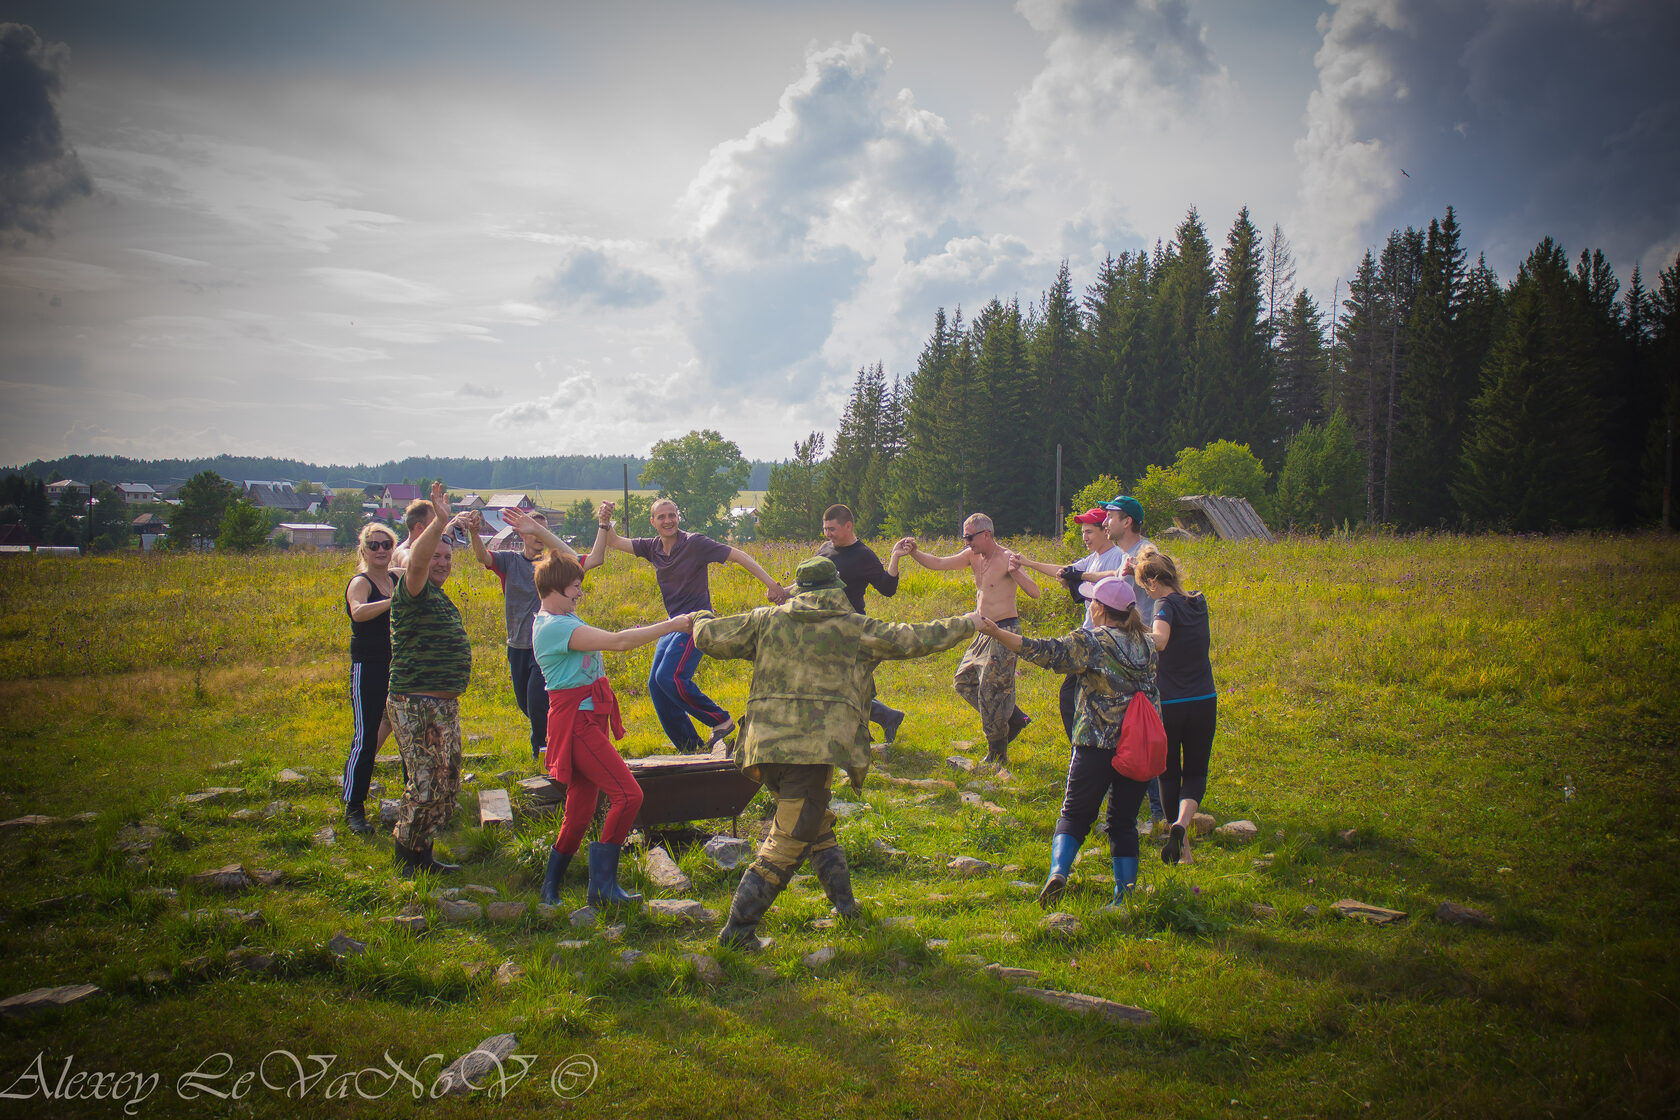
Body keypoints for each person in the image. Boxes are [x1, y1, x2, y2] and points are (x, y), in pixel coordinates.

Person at [695, 557, 982, 950]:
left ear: (799, 589)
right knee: (789, 839)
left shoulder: (766, 620)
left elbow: (709, 636)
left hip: (763, 748)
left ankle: (846, 909)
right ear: (836, 588)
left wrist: (698, 616)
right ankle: (737, 932)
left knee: (815, 823)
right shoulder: (853, 628)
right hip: (811, 751)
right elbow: (913, 638)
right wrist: (970, 621)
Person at [976, 576, 1159, 909]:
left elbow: (1045, 652)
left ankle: (1058, 873)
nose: (1089, 605)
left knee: (1074, 814)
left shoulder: (1092, 640)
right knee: (1123, 821)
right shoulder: (1147, 642)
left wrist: (997, 632)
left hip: (1094, 743)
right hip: (1138, 745)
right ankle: (1125, 897)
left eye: (1092, 602)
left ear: (1100, 609)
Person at [530, 551, 696, 907]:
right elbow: (620, 642)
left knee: (580, 812)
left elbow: (566, 563)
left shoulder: (558, 616)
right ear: (557, 588)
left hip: (586, 720)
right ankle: (603, 888)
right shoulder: (558, 626)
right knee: (628, 794)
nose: (580, 593)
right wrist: (672, 624)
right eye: (576, 587)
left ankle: (550, 890)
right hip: (578, 724)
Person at [597, 497, 788, 753]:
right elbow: (614, 541)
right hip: (674, 624)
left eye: (672, 515)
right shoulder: (652, 547)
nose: (668, 521)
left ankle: (720, 720)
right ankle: (691, 746)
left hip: (697, 622)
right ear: (653, 521)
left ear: (678, 517)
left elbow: (739, 556)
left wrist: (772, 584)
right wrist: (605, 521)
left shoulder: (694, 543)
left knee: (670, 676)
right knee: (656, 684)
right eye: (662, 517)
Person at [467, 506, 607, 764]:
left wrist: (603, 525)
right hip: (517, 643)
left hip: (546, 646)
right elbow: (483, 557)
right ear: (520, 533)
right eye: (532, 530)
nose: (538, 536)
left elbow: (590, 559)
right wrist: (475, 534)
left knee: (537, 700)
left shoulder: (557, 566)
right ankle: (558, 738)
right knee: (526, 703)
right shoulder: (509, 561)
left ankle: (543, 753)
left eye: (543, 530)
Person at [898, 513, 1040, 766]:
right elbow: (940, 562)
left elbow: (1035, 592)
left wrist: (1016, 572)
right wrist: (915, 553)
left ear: (987, 534)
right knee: (963, 681)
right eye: (964, 537)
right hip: (983, 630)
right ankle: (1014, 718)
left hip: (1004, 630)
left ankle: (997, 752)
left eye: (970, 537)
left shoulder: (1007, 557)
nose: (966, 542)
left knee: (991, 691)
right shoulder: (973, 556)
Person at [386, 483, 474, 877]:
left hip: (442, 705)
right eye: (435, 555)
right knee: (425, 784)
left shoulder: (438, 595)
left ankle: (424, 854)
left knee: (446, 783)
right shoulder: (413, 588)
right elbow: (417, 563)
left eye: (447, 557)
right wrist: (440, 522)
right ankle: (405, 856)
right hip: (416, 703)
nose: (441, 562)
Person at [1007, 507, 1124, 738]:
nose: (1085, 537)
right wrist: (1029, 564)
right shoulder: (1092, 559)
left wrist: (1079, 581)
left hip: (1107, 641)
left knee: (1082, 697)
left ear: (1105, 531)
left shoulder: (1117, 557)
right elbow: (1063, 571)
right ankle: (1083, 744)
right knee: (1072, 696)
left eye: (1089, 531)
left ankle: (1093, 745)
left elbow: (1117, 582)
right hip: (1090, 636)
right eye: (1083, 532)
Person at [1136, 547, 1216, 866]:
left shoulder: (1163, 605)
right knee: (1196, 772)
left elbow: (1161, 640)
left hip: (1170, 702)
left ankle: (1183, 852)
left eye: (1145, 586)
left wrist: (1133, 623)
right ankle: (1182, 825)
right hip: (1204, 700)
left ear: (1154, 583)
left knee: (1168, 775)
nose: (1146, 592)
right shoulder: (1199, 601)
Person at [812, 503, 913, 743]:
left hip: (853, 630)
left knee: (844, 685)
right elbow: (809, 584)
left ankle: (863, 735)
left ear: (848, 526)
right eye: (825, 529)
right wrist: (783, 593)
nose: (828, 534)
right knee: (846, 685)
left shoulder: (863, 554)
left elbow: (887, 588)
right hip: (825, 630)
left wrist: (895, 557)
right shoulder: (824, 549)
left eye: (832, 529)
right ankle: (885, 719)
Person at [341, 521, 397, 836]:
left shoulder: (396, 577)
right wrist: (393, 601)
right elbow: (358, 611)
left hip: (398, 665)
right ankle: (353, 806)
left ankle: (413, 798)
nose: (380, 550)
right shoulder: (360, 582)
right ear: (363, 549)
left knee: (406, 733)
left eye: (385, 544)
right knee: (365, 737)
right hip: (368, 666)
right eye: (373, 545)